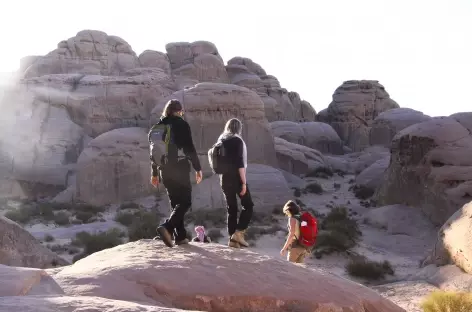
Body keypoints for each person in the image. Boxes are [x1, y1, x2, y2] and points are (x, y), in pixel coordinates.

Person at [149, 99, 203, 248]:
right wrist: (198, 168)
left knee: (175, 203)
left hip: (164, 170)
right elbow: (189, 148)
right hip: (179, 167)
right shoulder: (181, 124)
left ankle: (180, 237)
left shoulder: (157, 127)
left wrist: (154, 173)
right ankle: (167, 227)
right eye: (181, 112)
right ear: (179, 111)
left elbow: (153, 153)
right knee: (185, 201)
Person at [216, 118, 254, 248]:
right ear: (238, 128)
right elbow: (240, 163)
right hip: (236, 178)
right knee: (248, 205)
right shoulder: (237, 140)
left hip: (224, 179)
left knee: (231, 209)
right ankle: (238, 233)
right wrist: (243, 183)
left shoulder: (221, 140)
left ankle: (232, 239)